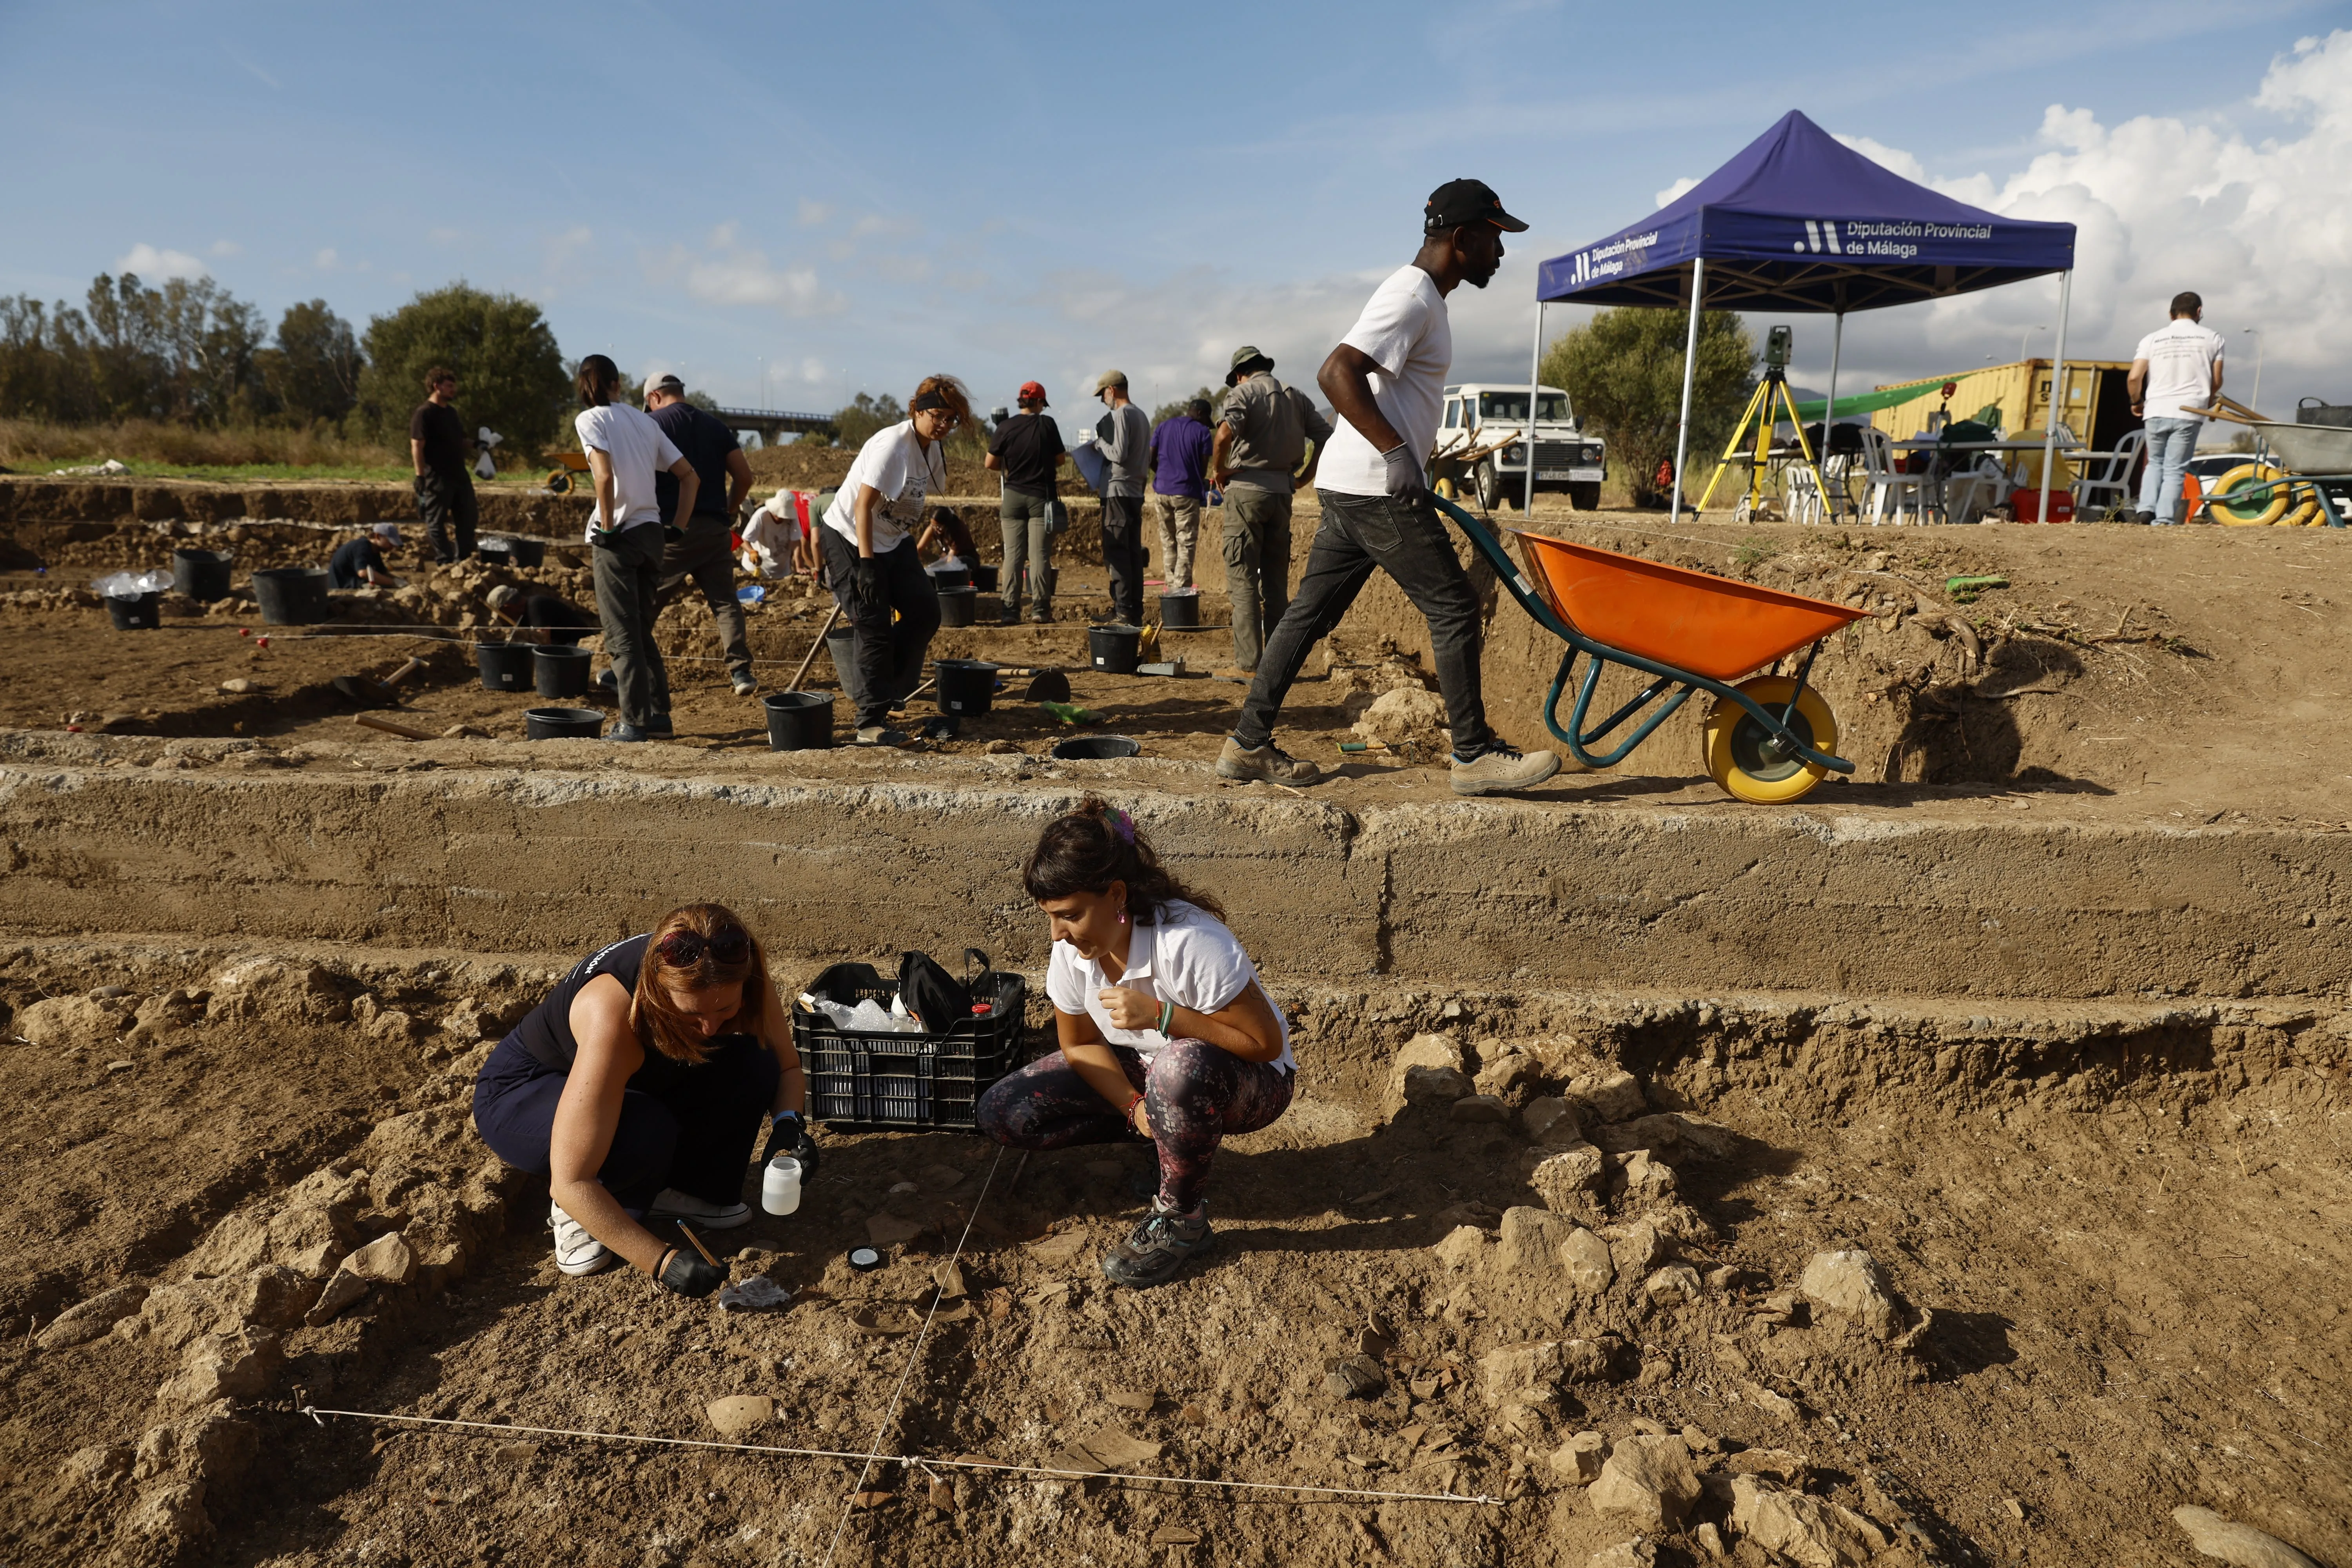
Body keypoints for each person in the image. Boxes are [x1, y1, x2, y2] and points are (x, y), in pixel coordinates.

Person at [1218, 180, 1563, 799]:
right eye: (1494, 238)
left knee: (1307, 616)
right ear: (1462, 239)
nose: (1501, 253)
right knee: (1455, 607)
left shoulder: (1426, 297)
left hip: (1353, 485)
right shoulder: (1413, 297)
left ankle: (1247, 743)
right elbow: (1335, 371)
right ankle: (1474, 755)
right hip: (1377, 488)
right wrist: (1397, 451)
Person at [976, 798, 1294, 1289]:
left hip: (1249, 1079)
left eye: (1070, 915)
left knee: (1178, 1068)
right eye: (1050, 917)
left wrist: (1166, 1016)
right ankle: (1169, 1142)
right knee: (1005, 1112)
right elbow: (1080, 1044)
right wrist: (1132, 1106)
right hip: (1153, 1071)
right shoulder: (1073, 951)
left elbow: (1264, 1044)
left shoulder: (1189, 943)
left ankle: (1183, 1219)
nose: (1057, 934)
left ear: (1117, 894)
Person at [472, 903, 819, 1291]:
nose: (709, 1026)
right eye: (691, 1014)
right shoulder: (613, 1014)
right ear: (657, 991)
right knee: (642, 1127)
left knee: (753, 1062)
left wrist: (789, 1126)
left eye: (724, 1008)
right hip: (525, 1093)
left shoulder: (739, 970)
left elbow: (787, 1068)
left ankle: (677, 1190)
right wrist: (663, 1262)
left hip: (622, 1076)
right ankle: (582, 1213)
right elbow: (572, 1180)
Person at [817, 374, 964, 745]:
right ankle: (869, 722)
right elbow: (862, 506)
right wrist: (866, 565)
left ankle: (889, 688)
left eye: (952, 419)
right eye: (939, 416)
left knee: (925, 612)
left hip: (893, 539)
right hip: (851, 538)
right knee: (874, 624)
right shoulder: (891, 446)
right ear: (917, 409)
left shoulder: (932, 448)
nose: (945, 425)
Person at [574, 354, 699, 743]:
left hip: (620, 537)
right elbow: (689, 477)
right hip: (651, 534)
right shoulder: (645, 421)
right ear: (617, 383)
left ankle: (633, 722)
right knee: (642, 630)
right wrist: (678, 525)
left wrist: (608, 527)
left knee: (622, 632)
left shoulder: (590, 419)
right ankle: (659, 716)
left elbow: (604, 474)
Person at [1210, 347, 1331, 675]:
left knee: (1244, 580)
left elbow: (1223, 435)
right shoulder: (1297, 397)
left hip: (1246, 494)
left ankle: (1250, 666)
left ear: (1239, 374)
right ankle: (1280, 665)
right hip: (1282, 495)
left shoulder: (1241, 393)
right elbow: (1326, 437)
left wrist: (1218, 470)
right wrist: (1304, 478)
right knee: (1276, 583)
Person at [644, 373, 760, 696]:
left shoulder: (653, 424)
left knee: (646, 602)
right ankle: (741, 672)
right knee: (725, 603)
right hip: (714, 528)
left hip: (672, 531)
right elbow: (744, 476)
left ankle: (621, 667)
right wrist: (730, 510)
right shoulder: (716, 426)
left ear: (654, 397)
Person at [2129, 291, 2226, 526]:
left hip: (2156, 409)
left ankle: (2146, 509)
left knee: (2155, 463)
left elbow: (2134, 377)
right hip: (2189, 411)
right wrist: (2210, 398)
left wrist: (2136, 402)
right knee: (2174, 469)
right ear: (2199, 312)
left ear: (2171, 313)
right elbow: (2217, 379)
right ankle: (2163, 520)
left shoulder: (2152, 339)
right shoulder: (2213, 338)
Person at [986, 380, 1065, 624]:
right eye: (1043, 404)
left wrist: (1011, 465)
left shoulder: (1006, 427)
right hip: (1040, 497)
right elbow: (1061, 460)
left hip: (1012, 496)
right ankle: (1040, 609)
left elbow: (990, 463)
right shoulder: (1047, 424)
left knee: (1013, 555)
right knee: (1040, 554)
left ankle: (1010, 610)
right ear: (1039, 402)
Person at [1091, 371, 1152, 626]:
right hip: (1135, 492)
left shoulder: (1122, 414)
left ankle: (1123, 611)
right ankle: (1132, 611)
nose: (1103, 400)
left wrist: (1099, 444)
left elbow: (1118, 453)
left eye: (1103, 394)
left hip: (1118, 492)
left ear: (1112, 391)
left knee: (1117, 551)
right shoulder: (1142, 415)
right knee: (1132, 553)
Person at [410, 368, 479, 564]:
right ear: (437, 387)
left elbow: (459, 440)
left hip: (459, 475)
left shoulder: (451, 413)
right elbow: (417, 445)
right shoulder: (424, 414)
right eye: (449, 386)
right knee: (435, 522)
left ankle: (464, 560)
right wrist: (420, 476)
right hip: (438, 477)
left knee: (468, 518)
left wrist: (476, 444)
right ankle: (445, 561)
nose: (453, 390)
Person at [1149, 398, 1213, 597]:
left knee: (1168, 540)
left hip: (1162, 492)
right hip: (1186, 493)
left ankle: (1170, 588)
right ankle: (1181, 593)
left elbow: (1150, 458)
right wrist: (1195, 479)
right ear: (1201, 414)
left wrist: (1162, 475)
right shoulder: (1203, 432)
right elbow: (1203, 469)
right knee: (1185, 542)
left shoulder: (1164, 426)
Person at [486, 583, 599, 646]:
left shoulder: (536, 606)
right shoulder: (524, 615)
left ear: (508, 608)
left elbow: (544, 642)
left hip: (579, 646)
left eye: (502, 615)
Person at [740, 488, 815, 579]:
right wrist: (752, 552)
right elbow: (744, 540)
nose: (782, 519)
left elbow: (796, 543)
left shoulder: (792, 519)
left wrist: (799, 567)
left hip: (781, 572)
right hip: (757, 570)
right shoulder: (762, 515)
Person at [329, 523, 404, 590]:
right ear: (378, 537)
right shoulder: (361, 546)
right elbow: (363, 573)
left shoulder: (374, 550)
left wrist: (399, 581)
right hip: (342, 588)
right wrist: (393, 582)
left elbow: (382, 573)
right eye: (390, 543)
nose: (393, 547)